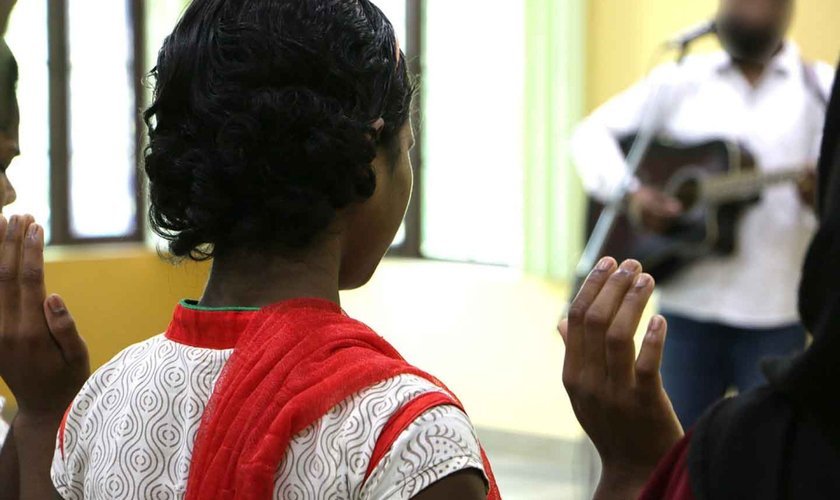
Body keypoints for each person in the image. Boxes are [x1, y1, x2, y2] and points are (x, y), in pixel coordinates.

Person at [0, 1, 501, 498]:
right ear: (368, 157)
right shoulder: (411, 441)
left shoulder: (99, 404)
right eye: (407, 148)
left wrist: (44, 413)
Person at [561, 59, 840, 500]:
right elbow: (588, 137)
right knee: (672, 468)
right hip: (682, 317)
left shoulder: (819, 86)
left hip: (774, 314)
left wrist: (820, 197)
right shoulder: (681, 78)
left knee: (764, 472)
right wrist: (631, 192)